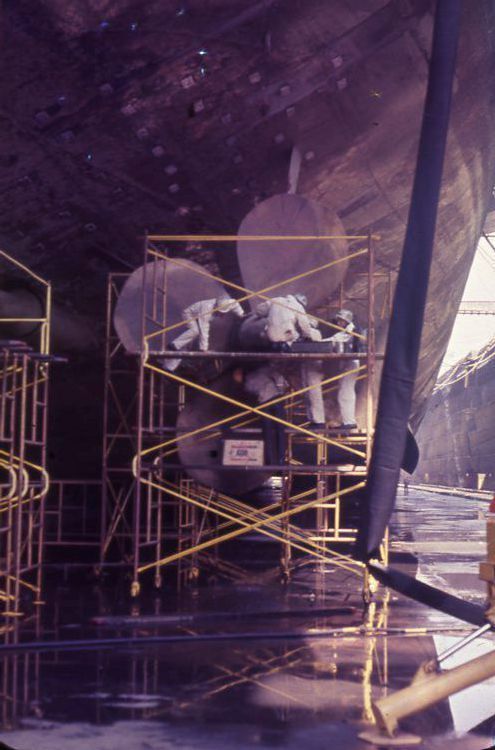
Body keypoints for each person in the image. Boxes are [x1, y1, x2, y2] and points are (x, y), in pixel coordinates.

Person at [256, 294, 325, 428]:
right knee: (305, 386)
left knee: (282, 376)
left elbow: (259, 311)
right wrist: (306, 335)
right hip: (288, 346)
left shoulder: (274, 300)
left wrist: (268, 318)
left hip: (273, 344)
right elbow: (304, 326)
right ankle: (315, 419)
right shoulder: (297, 307)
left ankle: (279, 389)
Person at [164, 295, 244, 371]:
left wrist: (242, 315)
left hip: (199, 318)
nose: (221, 314)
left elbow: (235, 304)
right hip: (190, 315)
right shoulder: (207, 309)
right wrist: (204, 349)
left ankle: (169, 368)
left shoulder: (229, 303)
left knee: (186, 345)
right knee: (195, 331)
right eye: (220, 312)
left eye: (223, 313)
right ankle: (174, 344)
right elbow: (204, 329)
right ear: (216, 307)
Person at [324, 308, 363, 429]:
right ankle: (347, 421)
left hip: (351, 363)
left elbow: (337, 339)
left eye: (341, 321)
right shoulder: (347, 330)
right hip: (348, 363)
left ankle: (349, 422)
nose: (339, 323)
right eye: (338, 321)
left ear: (346, 321)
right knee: (344, 392)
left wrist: (318, 342)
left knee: (345, 393)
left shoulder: (351, 330)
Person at [244, 364, 288, 466]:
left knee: (271, 432)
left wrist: (281, 389)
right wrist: (281, 390)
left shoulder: (250, 379)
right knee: (278, 431)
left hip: (268, 401)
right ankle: (277, 460)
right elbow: (278, 377)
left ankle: (274, 460)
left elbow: (278, 377)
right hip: (273, 399)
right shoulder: (253, 377)